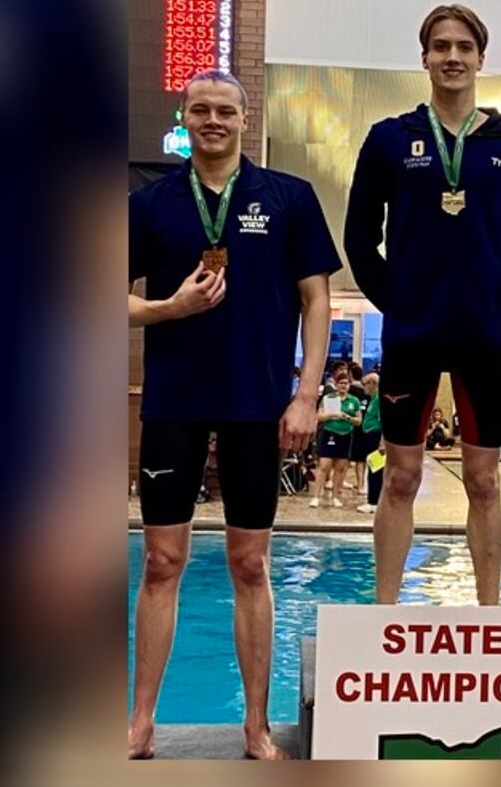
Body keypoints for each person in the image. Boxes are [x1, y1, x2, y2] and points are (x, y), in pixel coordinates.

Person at [128, 69, 340, 760]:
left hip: (257, 402)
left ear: (245, 120)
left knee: (252, 563)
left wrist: (306, 393)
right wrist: (169, 308)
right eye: (199, 109)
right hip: (174, 400)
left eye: (225, 109)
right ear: (183, 118)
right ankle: (140, 723)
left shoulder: (290, 198)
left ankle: (256, 726)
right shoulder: (151, 203)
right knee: (161, 560)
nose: (212, 119)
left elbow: (316, 300)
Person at [344, 3, 501, 605]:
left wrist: (495, 298)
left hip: (482, 336)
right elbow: (360, 237)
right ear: (425, 57)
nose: (452, 56)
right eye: (440, 46)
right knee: (400, 475)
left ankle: (489, 614)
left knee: (485, 479)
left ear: (481, 57)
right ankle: (384, 611)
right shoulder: (389, 139)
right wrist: (398, 301)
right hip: (412, 334)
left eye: (464, 46)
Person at [311, 367, 363, 508]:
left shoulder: (354, 401)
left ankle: (335, 496)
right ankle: (316, 496)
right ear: (336, 384)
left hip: (346, 435)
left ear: (349, 384)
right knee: (324, 465)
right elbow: (319, 416)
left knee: (341, 467)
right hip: (330, 433)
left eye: (346, 383)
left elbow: (358, 421)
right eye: (341, 383)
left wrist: (346, 417)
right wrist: (333, 414)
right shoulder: (329, 398)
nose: (343, 386)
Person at [352, 371, 384, 511]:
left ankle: (374, 501)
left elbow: (385, 423)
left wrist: (382, 442)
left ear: (372, 384)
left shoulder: (379, 399)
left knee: (375, 470)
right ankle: (374, 499)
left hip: (375, 437)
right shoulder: (374, 397)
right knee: (373, 467)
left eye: (365, 384)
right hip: (370, 436)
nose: (363, 387)